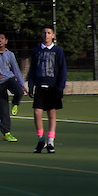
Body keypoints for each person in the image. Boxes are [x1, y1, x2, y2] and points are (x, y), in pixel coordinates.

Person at [28, 26, 67, 154]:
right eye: (44, 33)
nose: (46, 35)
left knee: (51, 113)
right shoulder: (36, 51)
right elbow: (32, 69)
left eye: (49, 33)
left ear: (53, 35)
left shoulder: (58, 51)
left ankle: (50, 141)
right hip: (40, 86)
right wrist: (31, 85)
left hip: (53, 87)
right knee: (37, 113)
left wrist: (60, 87)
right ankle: (41, 140)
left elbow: (62, 69)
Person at [0, 31, 26, 142]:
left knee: (19, 92)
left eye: (2, 38)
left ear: (6, 41)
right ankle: (7, 133)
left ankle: (15, 103)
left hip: (9, 79)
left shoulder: (10, 55)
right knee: (3, 110)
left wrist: (22, 84)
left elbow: (16, 70)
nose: (0, 40)